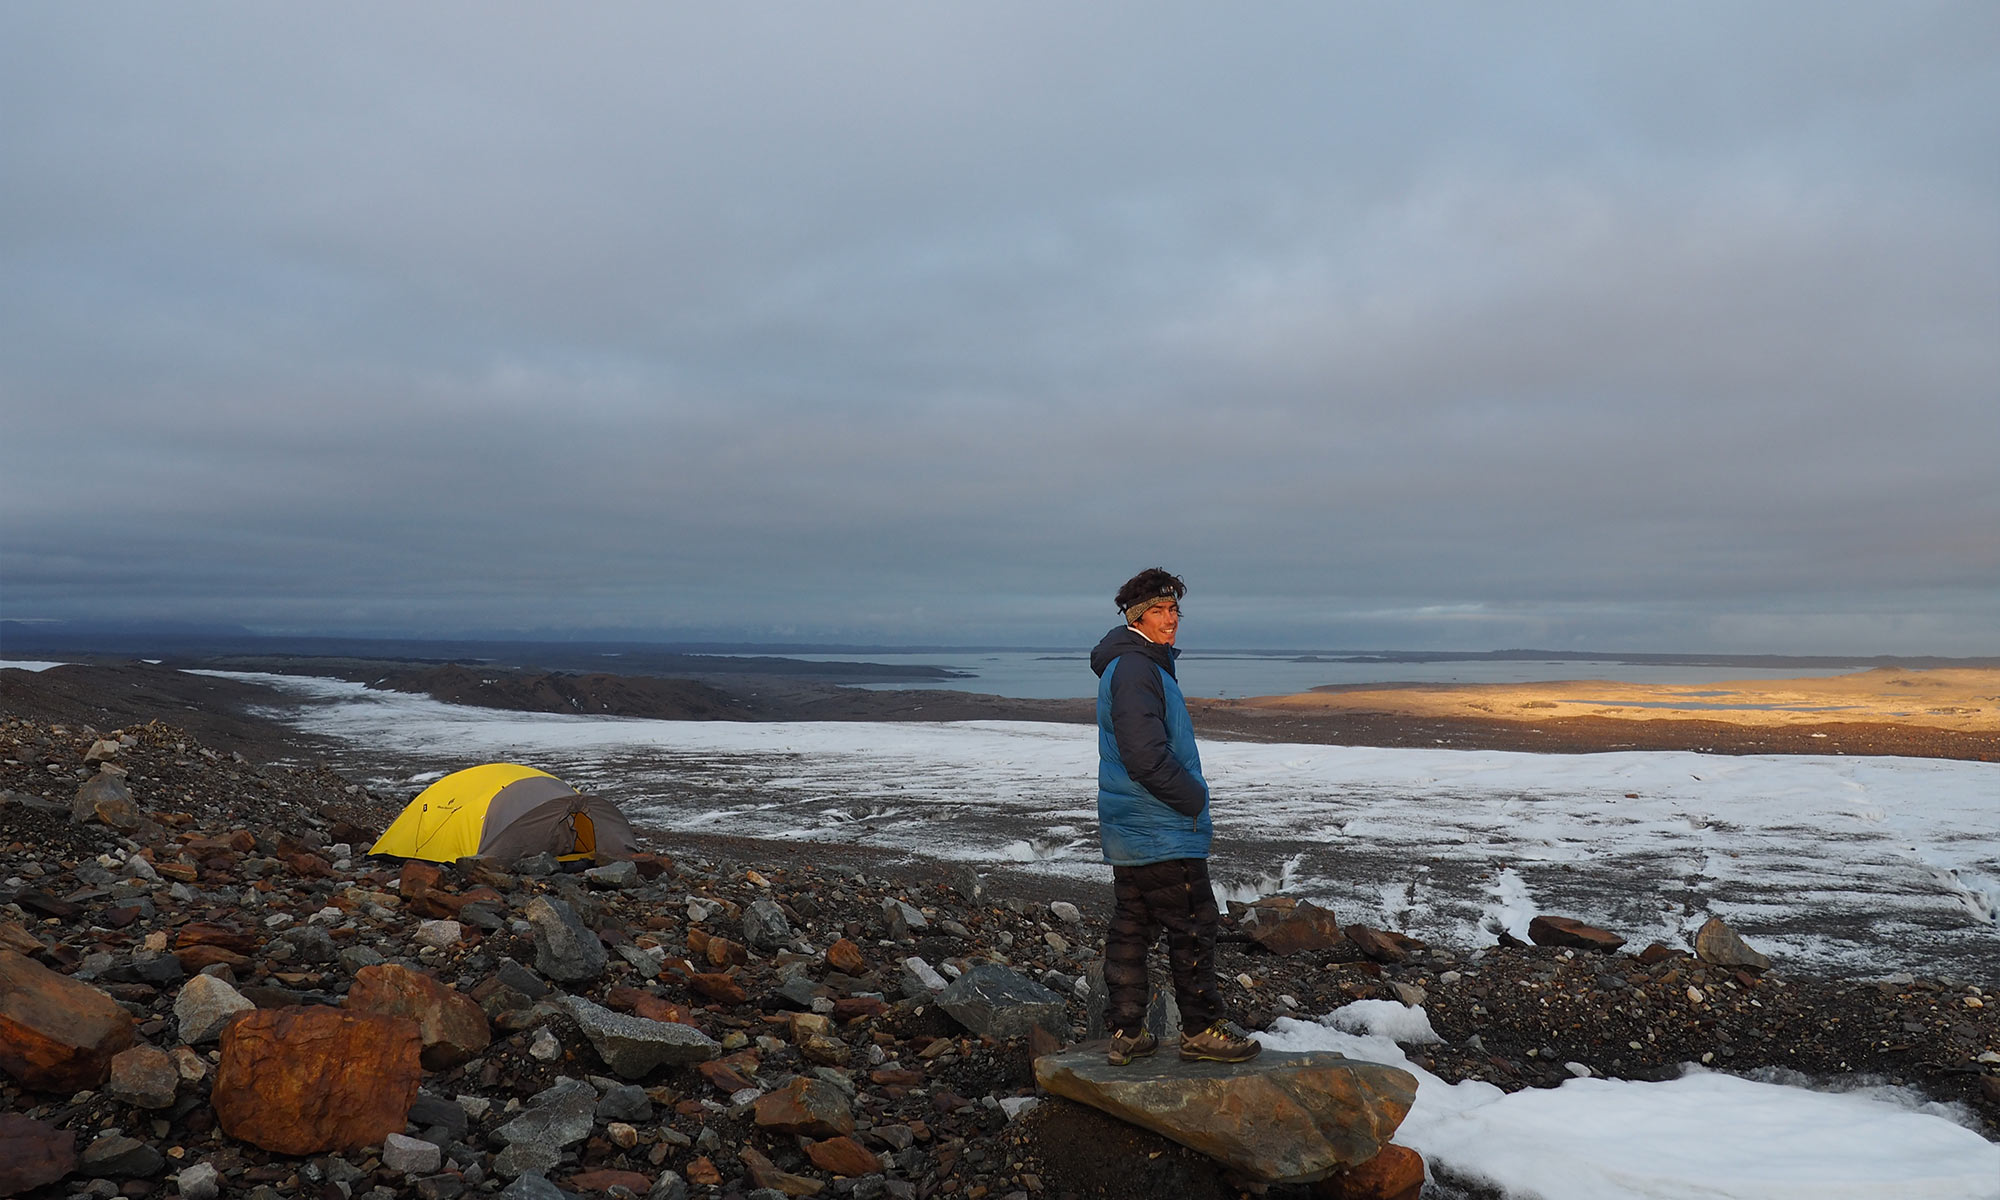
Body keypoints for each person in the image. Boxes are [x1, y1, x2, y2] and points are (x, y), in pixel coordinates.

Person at [1090, 567, 1261, 1065]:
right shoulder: (1138, 669)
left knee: (1132, 926)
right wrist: (1192, 798)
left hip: (1134, 829)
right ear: (1136, 617)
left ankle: (1126, 1034)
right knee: (1194, 924)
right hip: (1160, 826)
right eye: (1159, 611)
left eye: (1174, 610)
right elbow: (1145, 756)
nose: (1171, 621)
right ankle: (1202, 1030)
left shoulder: (1132, 665)